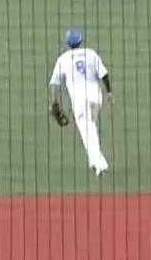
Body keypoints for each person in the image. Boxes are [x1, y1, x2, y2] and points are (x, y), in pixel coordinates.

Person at [48, 28, 113, 175]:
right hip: (96, 96)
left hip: (79, 99)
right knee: (91, 127)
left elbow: (54, 84)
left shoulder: (63, 59)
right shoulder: (91, 53)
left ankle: (100, 164)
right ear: (80, 40)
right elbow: (104, 74)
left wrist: (53, 102)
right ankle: (93, 160)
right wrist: (109, 91)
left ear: (67, 43)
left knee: (87, 131)